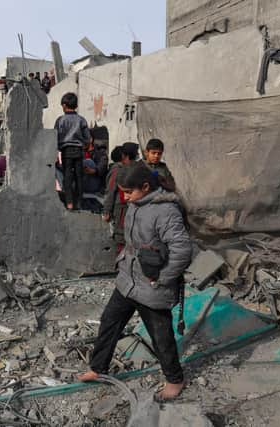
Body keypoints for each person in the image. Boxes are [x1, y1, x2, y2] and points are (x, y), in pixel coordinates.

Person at [78, 162, 192, 400]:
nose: (126, 198)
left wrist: (162, 279)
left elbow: (181, 250)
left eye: (129, 192)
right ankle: (98, 368)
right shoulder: (136, 204)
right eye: (123, 193)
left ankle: (175, 379)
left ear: (146, 187)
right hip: (129, 279)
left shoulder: (165, 211)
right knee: (110, 321)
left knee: (160, 336)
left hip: (152, 284)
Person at [54, 92, 91, 210]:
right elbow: (87, 138)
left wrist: (56, 151)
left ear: (64, 105)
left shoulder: (60, 120)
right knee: (79, 177)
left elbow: (55, 137)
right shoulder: (81, 120)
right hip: (79, 151)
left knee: (67, 177)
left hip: (66, 152)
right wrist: (84, 145)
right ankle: (79, 203)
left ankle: (69, 203)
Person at [103, 142, 139, 251]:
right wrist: (107, 211)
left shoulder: (131, 169)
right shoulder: (117, 170)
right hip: (121, 209)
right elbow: (110, 191)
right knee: (121, 237)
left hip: (129, 208)